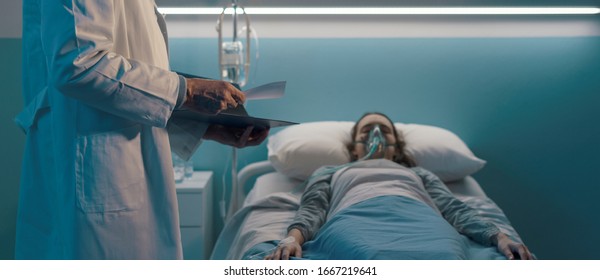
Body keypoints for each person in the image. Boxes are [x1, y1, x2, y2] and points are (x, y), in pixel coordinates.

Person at [14, 0, 268, 259]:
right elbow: (78, 65)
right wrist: (187, 91)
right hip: (93, 174)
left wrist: (201, 125)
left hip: (112, 160)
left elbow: (125, 89)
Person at [266, 112, 533, 260]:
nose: (375, 134)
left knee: (444, 255)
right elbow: (313, 208)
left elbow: (453, 209)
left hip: (422, 220)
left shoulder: (419, 173)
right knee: (367, 255)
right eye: (367, 130)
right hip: (356, 218)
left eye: (384, 130)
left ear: (396, 145)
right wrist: (293, 238)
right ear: (354, 146)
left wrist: (498, 237)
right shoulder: (331, 171)